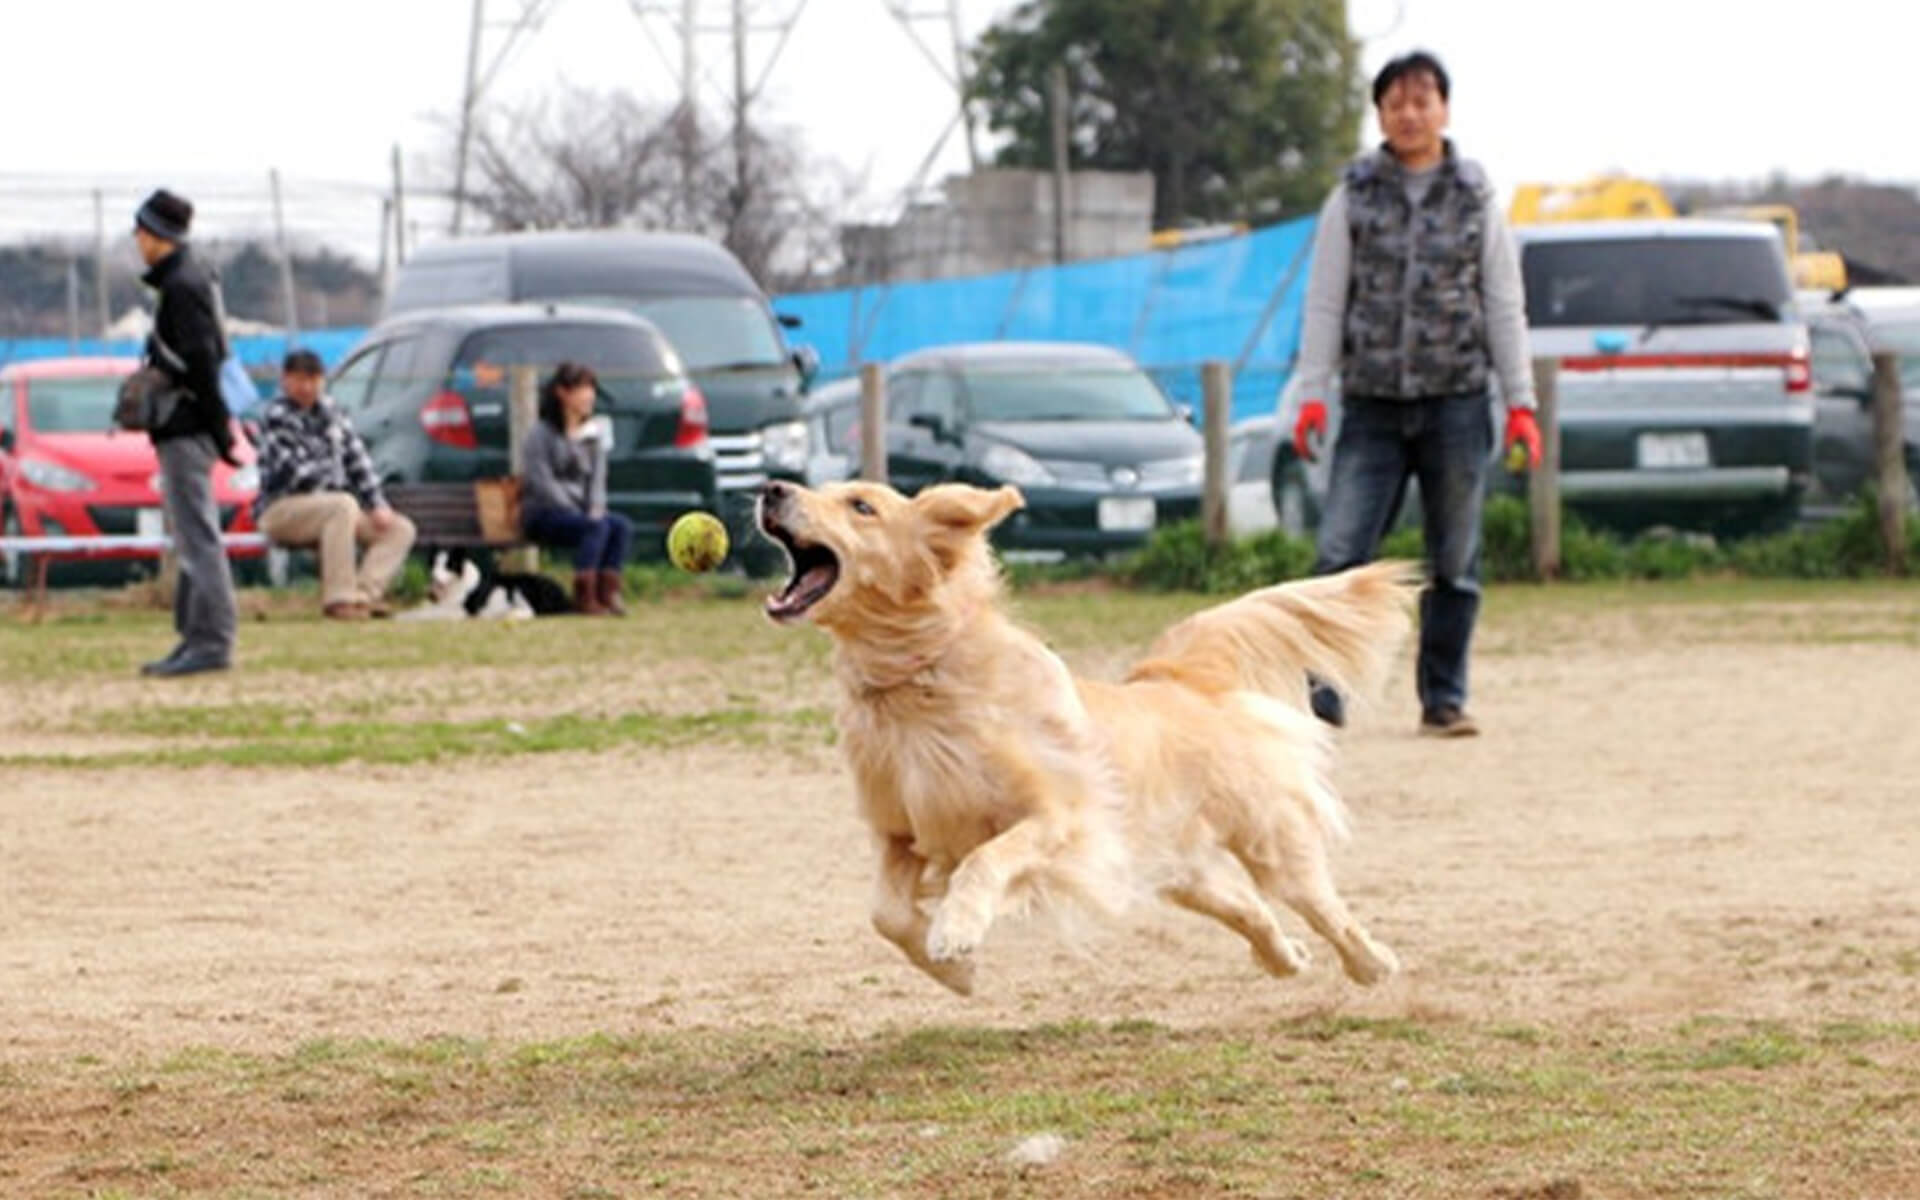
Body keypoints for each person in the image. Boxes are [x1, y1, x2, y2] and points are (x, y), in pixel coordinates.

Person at [1290, 50, 1542, 738]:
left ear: (1444, 110)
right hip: (1370, 404)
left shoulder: (1474, 195)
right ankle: (1322, 701)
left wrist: (1522, 403)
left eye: (1422, 100)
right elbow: (1324, 301)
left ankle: (1444, 698)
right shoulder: (1353, 194)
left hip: (1457, 399)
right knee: (1338, 555)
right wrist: (1313, 393)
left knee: (1456, 560)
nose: (1409, 113)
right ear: (1380, 114)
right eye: (1396, 102)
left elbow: (1502, 300)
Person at [133, 188, 240, 677]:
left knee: (199, 536)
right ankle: (191, 637)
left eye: (142, 230)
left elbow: (202, 363)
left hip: (188, 424)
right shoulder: (189, 278)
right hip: (187, 424)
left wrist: (220, 434)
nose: (136, 239)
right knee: (190, 534)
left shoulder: (183, 286)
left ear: (159, 234)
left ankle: (212, 641)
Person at [253, 349, 417, 619]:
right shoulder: (275, 416)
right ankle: (339, 599)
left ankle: (363, 597)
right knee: (342, 505)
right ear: (285, 381)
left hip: (335, 508)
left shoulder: (334, 414)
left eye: (313, 379)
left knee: (399, 529)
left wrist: (376, 504)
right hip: (282, 509)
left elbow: (358, 461)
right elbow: (296, 473)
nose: (307, 387)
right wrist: (340, 487)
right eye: (299, 380)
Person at [521, 361, 631, 615]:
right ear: (563, 392)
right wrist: (574, 508)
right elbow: (540, 481)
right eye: (583, 388)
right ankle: (584, 595)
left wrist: (595, 507)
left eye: (591, 388)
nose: (589, 395)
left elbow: (597, 480)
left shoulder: (593, 435)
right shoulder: (540, 434)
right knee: (595, 526)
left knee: (619, 525)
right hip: (545, 512)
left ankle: (608, 594)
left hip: (581, 512)